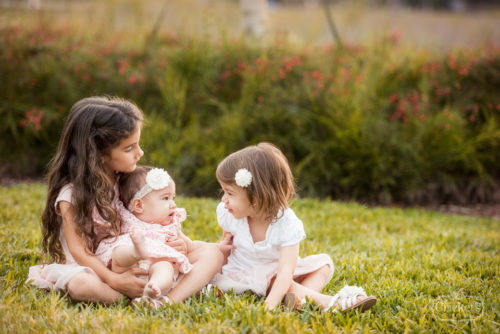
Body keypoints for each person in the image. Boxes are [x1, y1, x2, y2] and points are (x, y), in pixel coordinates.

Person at [26, 96, 224, 305]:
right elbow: (79, 251)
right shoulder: (71, 195)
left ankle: (166, 300)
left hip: (141, 259)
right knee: (82, 286)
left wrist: (182, 243)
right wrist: (114, 280)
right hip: (97, 270)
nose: (140, 153)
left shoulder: (125, 178)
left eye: (138, 144)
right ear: (98, 154)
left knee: (212, 253)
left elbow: (153, 220)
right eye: (129, 148)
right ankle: (134, 298)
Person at [210, 142, 377, 312]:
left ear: (258, 194)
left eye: (229, 193)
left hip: (280, 272)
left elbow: (286, 271)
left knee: (323, 265)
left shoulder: (287, 223)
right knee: (275, 279)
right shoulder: (229, 214)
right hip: (243, 273)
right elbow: (226, 248)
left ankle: (297, 300)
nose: (224, 199)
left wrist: (269, 306)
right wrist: (216, 270)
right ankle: (330, 303)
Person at [95, 166, 194, 305]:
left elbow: (190, 245)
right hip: (128, 268)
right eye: (165, 198)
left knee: (165, 268)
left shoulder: (171, 224)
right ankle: (136, 251)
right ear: (139, 205)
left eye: (173, 198)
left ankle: (153, 287)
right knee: (119, 254)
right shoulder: (125, 219)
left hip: (156, 263)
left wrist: (183, 245)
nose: (173, 204)